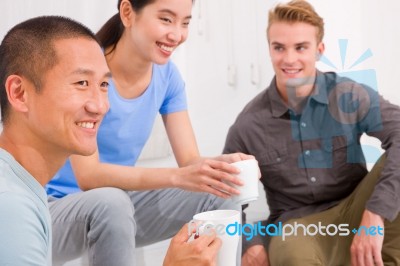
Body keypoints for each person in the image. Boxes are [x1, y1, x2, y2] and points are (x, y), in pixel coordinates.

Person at [46, 0, 250, 265]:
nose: (176, 34)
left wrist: (219, 168)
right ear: (128, 13)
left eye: (185, 22)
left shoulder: (168, 77)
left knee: (221, 190)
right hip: (57, 208)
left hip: (117, 206)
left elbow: (189, 161)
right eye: (166, 19)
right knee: (112, 201)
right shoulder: (88, 70)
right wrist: (177, 177)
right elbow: (89, 176)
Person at [223, 0, 400, 265]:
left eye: (301, 47)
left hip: (356, 209)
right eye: (279, 47)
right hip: (298, 226)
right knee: (292, 256)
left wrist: (374, 213)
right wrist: (251, 243)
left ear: (319, 50)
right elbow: (227, 200)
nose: (289, 59)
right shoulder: (249, 125)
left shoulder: (349, 95)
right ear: (270, 50)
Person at [0, 15, 110, 265]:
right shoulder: (10, 205)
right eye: (82, 82)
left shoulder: (20, 187)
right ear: (19, 93)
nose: (101, 105)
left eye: (103, 84)